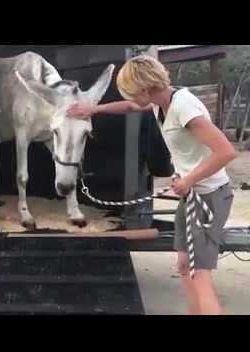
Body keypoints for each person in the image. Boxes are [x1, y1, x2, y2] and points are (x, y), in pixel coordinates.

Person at [67, 55, 237, 315]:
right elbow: (131, 107)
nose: (133, 99)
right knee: (184, 265)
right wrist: (95, 109)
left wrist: (189, 178)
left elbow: (226, 151)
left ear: (145, 89)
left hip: (210, 197)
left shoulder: (184, 107)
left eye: (134, 93)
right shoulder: (161, 102)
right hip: (191, 194)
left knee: (198, 274)